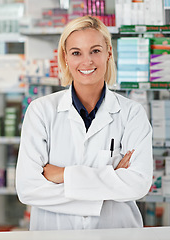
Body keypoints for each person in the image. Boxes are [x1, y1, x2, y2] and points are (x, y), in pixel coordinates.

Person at [16, 15, 153, 231]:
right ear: (65, 57)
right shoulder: (41, 111)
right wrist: (112, 178)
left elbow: (138, 185)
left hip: (116, 232)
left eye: (95, 51)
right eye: (76, 53)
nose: (86, 61)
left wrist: (62, 174)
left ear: (109, 52)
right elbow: (28, 188)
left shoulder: (132, 113)